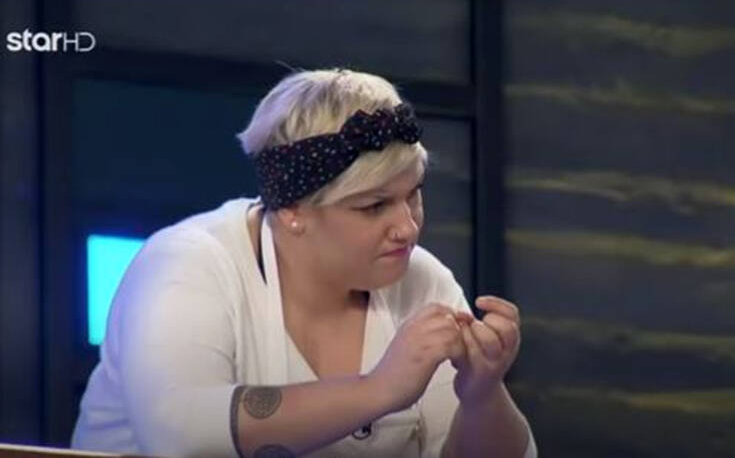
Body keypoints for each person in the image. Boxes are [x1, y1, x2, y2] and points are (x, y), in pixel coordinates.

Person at [71, 68, 537, 458]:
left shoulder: (420, 278)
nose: (407, 227)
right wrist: (379, 389)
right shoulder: (185, 264)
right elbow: (182, 438)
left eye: (413, 194)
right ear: (293, 210)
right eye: (374, 206)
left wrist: (481, 395)